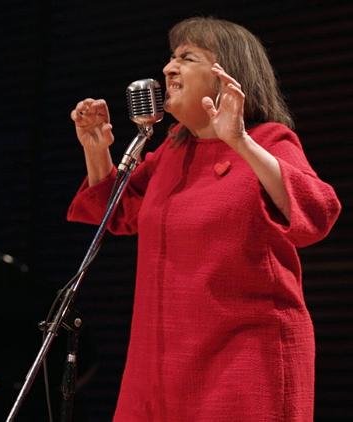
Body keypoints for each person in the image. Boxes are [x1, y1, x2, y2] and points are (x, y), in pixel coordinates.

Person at [67, 17, 341, 421]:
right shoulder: (171, 151)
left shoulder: (268, 141)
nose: (168, 68)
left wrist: (239, 141)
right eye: (171, 57)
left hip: (244, 360)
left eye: (186, 57)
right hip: (160, 362)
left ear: (226, 75)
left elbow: (316, 212)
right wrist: (96, 149)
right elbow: (117, 212)